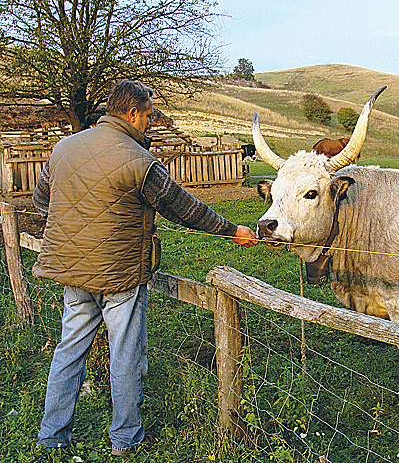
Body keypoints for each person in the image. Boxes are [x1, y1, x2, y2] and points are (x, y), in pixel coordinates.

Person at [33, 80, 257, 456]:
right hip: (121, 275)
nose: (151, 123)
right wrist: (231, 230)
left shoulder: (62, 149)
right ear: (133, 113)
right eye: (149, 115)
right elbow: (184, 208)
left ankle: (52, 436)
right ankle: (125, 438)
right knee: (125, 355)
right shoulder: (140, 161)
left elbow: (42, 203)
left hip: (72, 272)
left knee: (69, 350)